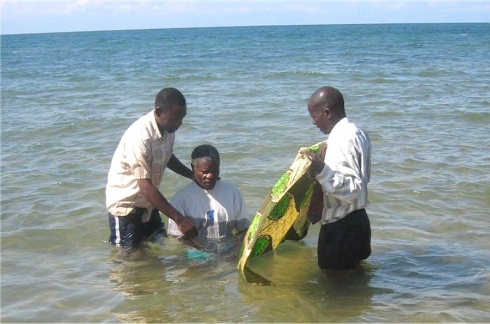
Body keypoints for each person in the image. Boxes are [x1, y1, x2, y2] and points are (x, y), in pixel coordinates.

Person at [106, 87, 198, 247]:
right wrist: (180, 219)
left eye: (182, 118)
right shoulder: (141, 136)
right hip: (126, 208)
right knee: (128, 259)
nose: (179, 124)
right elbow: (144, 185)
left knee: (158, 247)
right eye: (176, 118)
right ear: (159, 111)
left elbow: (167, 156)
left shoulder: (168, 129)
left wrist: (192, 175)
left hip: (148, 204)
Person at [302, 86, 372, 273]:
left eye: (314, 116)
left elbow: (354, 188)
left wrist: (321, 170)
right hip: (358, 221)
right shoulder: (357, 132)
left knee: (336, 291)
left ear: (327, 113)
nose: (313, 122)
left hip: (342, 227)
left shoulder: (344, 139)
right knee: (356, 281)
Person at [167, 144, 250, 245]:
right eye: (205, 172)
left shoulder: (233, 193)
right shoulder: (180, 199)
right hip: (196, 254)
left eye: (214, 171)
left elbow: (244, 230)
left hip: (227, 251)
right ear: (193, 168)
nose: (210, 176)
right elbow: (176, 237)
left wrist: (234, 251)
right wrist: (201, 252)